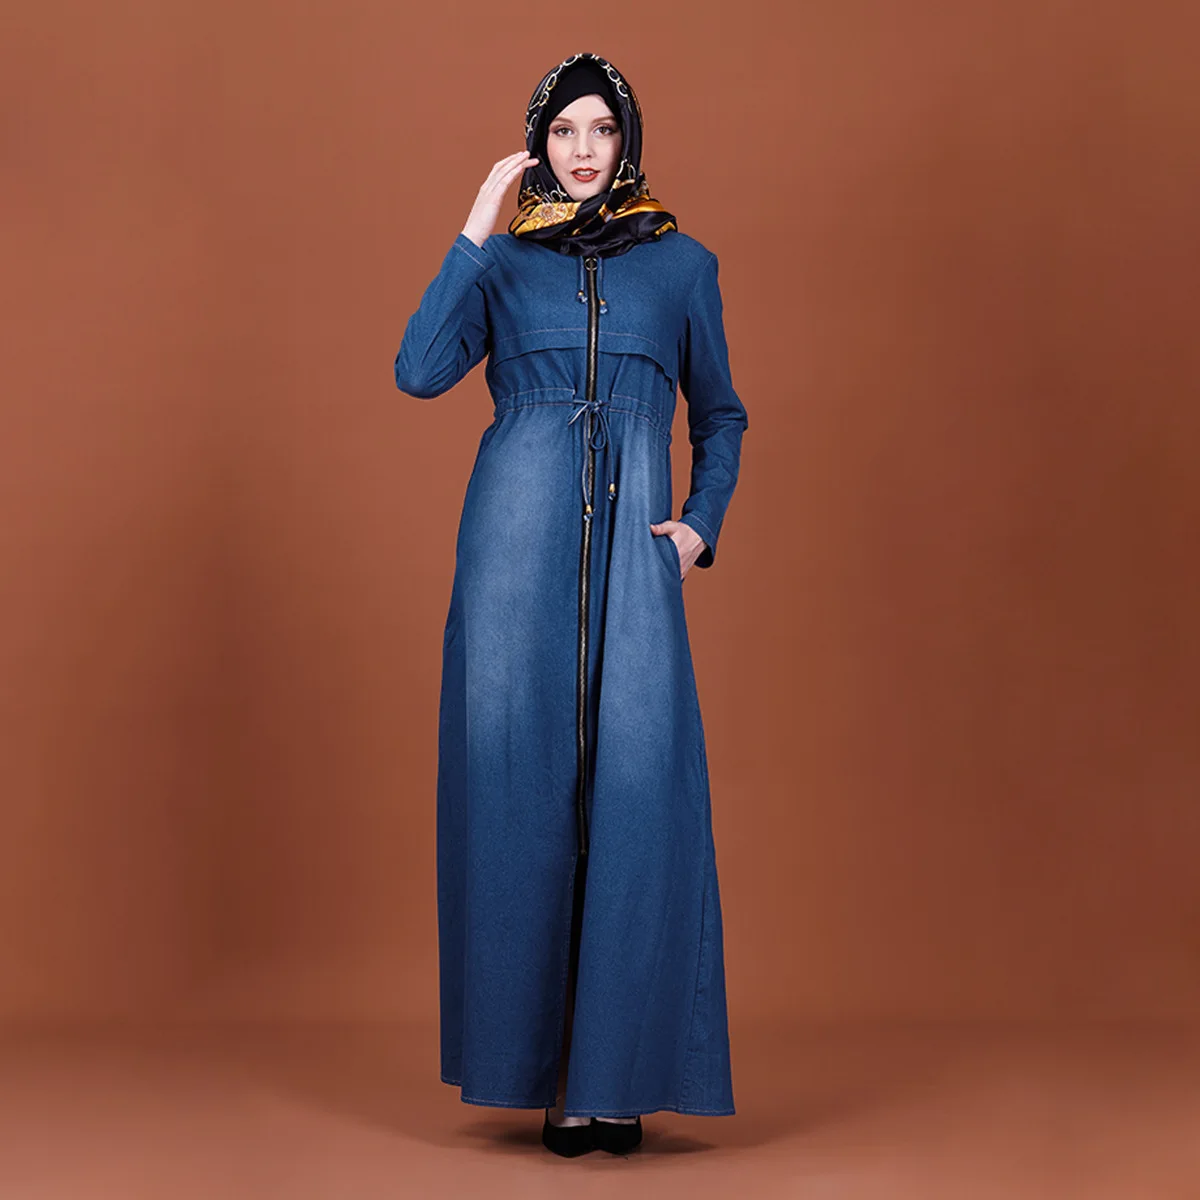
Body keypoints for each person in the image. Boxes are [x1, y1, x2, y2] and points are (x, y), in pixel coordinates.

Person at [394, 51, 749, 1158]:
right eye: (562, 132)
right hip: (513, 557)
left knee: (635, 791)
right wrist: (474, 228)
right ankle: (547, 1079)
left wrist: (699, 524)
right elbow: (418, 370)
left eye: (601, 129)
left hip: (635, 566)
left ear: (626, 140)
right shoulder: (503, 264)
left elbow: (721, 414)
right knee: (520, 792)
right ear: (538, 145)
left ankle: (612, 1082)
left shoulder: (683, 266)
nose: (583, 150)